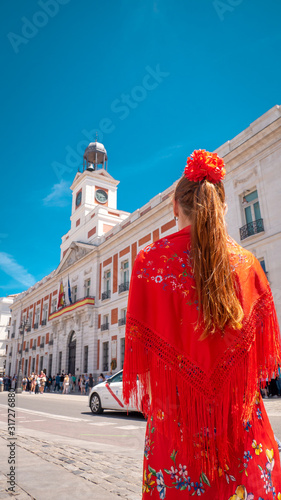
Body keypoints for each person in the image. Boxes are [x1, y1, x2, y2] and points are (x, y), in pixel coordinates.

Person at [122, 149, 281, 499]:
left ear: (176, 207)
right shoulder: (248, 264)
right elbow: (261, 363)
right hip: (242, 437)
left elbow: (145, 364)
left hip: (175, 439)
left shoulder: (149, 262)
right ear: (222, 208)